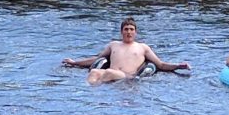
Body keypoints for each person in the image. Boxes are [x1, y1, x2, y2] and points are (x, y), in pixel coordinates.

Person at [62, 17, 190, 84]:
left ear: (135, 32)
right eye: (126, 29)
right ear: (121, 31)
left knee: (108, 73)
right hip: (109, 73)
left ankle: (96, 90)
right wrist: (74, 62)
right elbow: (96, 59)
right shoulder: (113, 45)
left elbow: (161, 64)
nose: (128, 32)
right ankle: (87, 94)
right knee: (95, 71)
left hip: (126, 77)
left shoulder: (143, 47)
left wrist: (179, 66)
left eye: (131, 29)